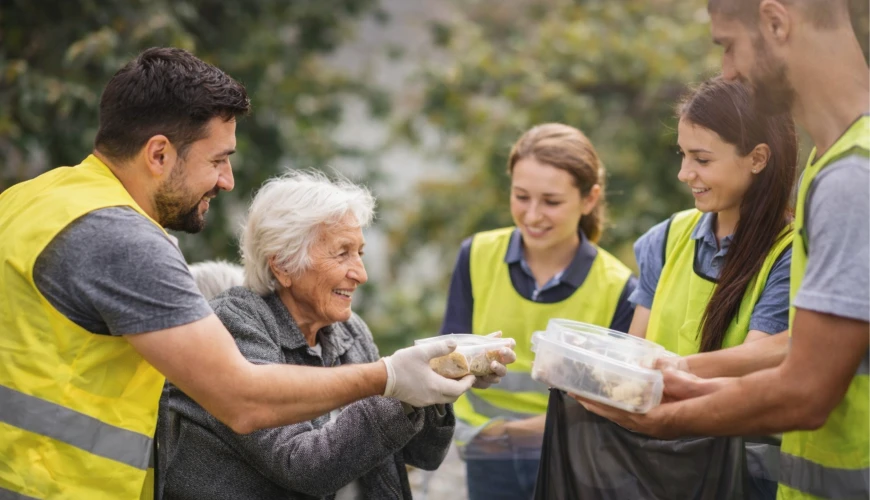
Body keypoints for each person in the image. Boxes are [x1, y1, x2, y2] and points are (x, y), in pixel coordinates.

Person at [0, 47, 504, 500]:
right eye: (218, 160)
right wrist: (390, 377)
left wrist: (431, 384)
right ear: (158, 154)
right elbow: (241, 398)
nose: (227, 179)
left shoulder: (28, 200)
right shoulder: (125, 239)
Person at [577, 1, 869, 499]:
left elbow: (805, 391)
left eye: (728, 46)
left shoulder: (852, 179)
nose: (727, 71)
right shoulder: (831, 162)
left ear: (776, 22)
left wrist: (663, 417)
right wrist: (684, 381)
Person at [160, 172, 514, 499]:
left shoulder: (349, 329)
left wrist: (438, 379)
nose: (360, 273)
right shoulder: (236, 324)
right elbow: (303, 466)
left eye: (359, 252)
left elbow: (425, 454)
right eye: (342, 253)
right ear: (283, 264)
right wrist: (399, 389)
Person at [548, 76, 796, 500]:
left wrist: (671, 371)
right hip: (654, 469)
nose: (685, 173)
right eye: (683, 155)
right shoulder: (667, 239)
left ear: (757, 158)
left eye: (701, 159)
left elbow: (757, 362)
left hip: (741, 477)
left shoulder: (789, 253)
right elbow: (635, 349)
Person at [441, 123, 637, 500]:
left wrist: (512, 433)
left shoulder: (619, 288)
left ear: (589, 199)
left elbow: (612, 405)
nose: (532, 215)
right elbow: (449, 357)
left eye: (551, 201)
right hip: (486, 457)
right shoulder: (476, 255)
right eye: (521, 196)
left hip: (572, 462)